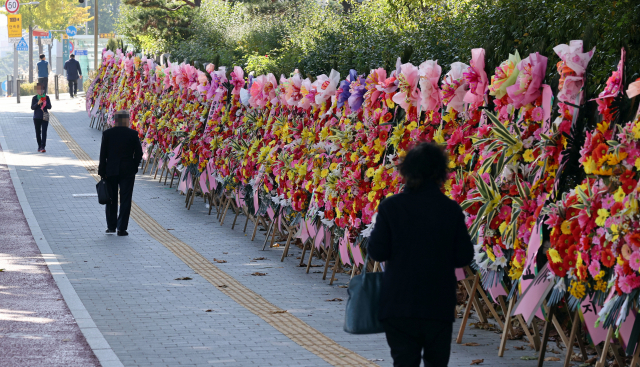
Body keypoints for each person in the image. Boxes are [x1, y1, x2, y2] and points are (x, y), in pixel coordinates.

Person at [368, 142, 474, 367]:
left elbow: (377, 251)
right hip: (437, 304)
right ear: (440, 173)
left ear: (406, 171)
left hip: (398, 303)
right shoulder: (450, 209)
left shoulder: (390, 207)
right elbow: (464, 256)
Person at [98, 111, 143, 236]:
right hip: (127, 171)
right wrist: (134, 166)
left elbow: (103, 154)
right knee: (125, 199)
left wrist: (102, 171)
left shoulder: (107, 134)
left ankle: (111, 226)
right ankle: (121, 228)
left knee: (111, 199)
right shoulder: (132, 134)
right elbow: (139, 153)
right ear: (127, 120)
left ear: (115, 120)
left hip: (111, 171)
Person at [30, 84, 52, 153]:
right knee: (38, 132)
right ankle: (39, 146)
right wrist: (38, 103)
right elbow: (32, 107)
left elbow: (49, 107)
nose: (39, 91)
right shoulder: (34, 98)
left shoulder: (47, 97)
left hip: (45, 117)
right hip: (37, 117)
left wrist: (45, 103)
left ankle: (43, 146)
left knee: (44, 132)